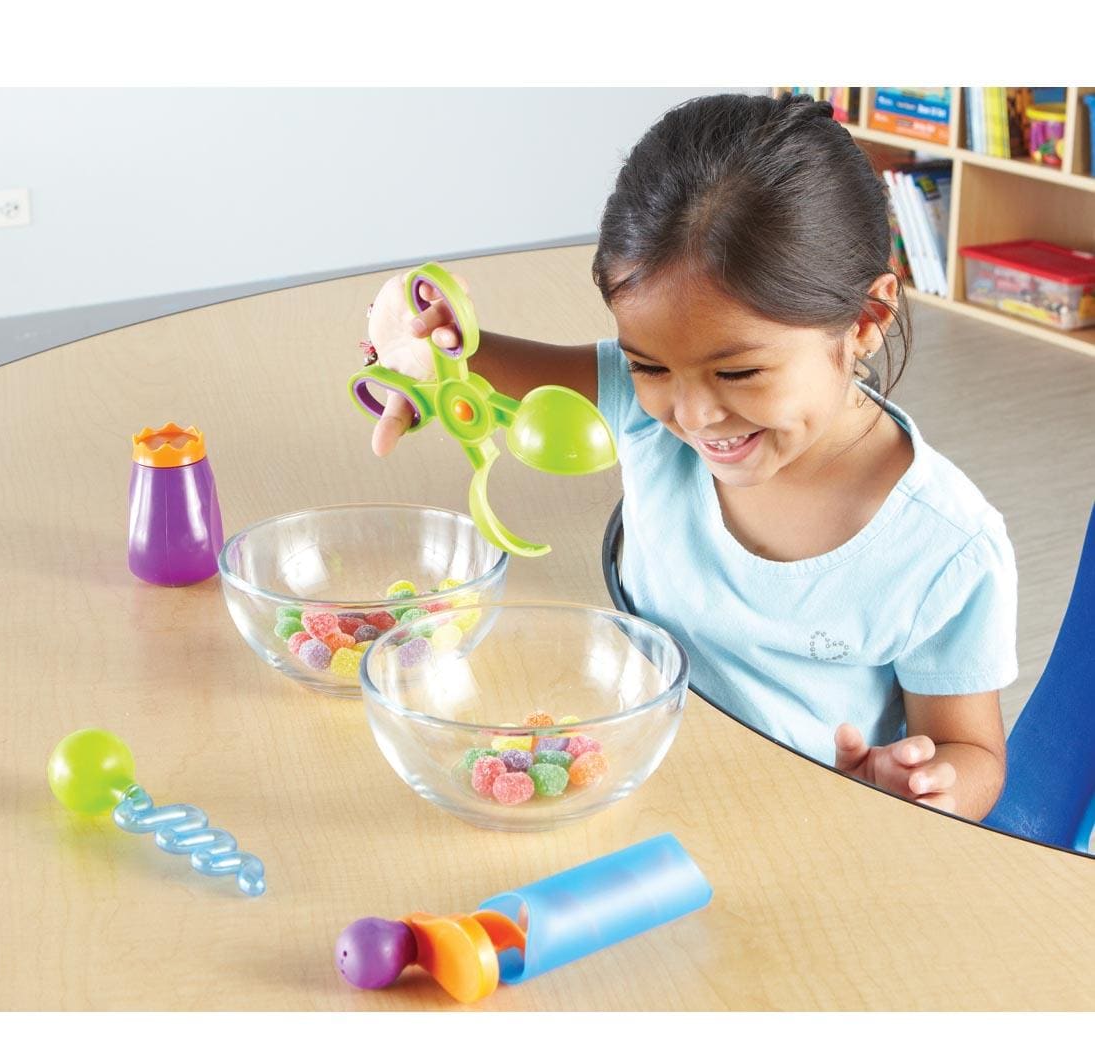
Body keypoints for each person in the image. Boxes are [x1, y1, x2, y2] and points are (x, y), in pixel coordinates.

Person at [363, 92, 1017, 821]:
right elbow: (464, 361)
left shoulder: (947, 550)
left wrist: (926, 785)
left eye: (737, 373)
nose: (693, 415)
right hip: (634, 781)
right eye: (648, 367)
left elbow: (975, 756)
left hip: (799, 829)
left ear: (865, 321)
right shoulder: (647, 416)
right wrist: (409, 334)